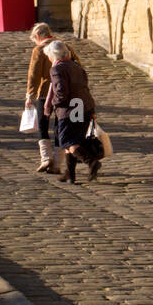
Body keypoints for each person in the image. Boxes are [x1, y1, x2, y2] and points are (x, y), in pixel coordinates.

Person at [43, 41, 104, 185]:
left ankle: (91, 162)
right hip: (84, 107)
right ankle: (70, 174)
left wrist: (53, 104)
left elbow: (61, 92)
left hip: (69, 110)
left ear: (54, 55)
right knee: (73, 140)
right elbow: (85, 89)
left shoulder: (57, 69)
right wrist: (92, 111)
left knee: (67, 142)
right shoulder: (77, 67)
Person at [25, 23, 57, 174]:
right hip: (63, 91)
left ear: (38, 36)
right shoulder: (63, 45)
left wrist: (30, 95)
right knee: (60, 126)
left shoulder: (39, 49)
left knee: (42, 126)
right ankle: (58, 162)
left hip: (45, 92)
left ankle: (46, 158)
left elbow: (34, 74)